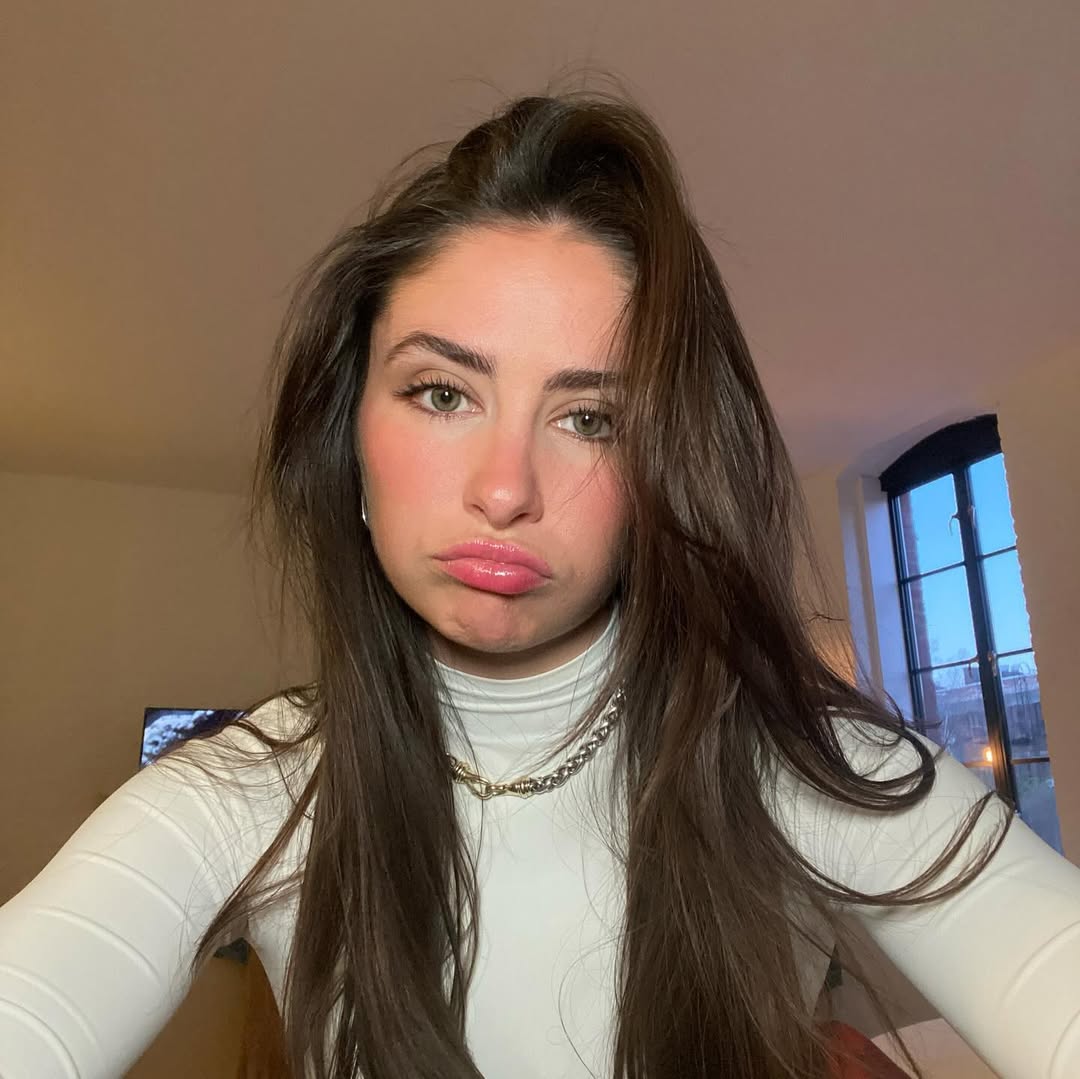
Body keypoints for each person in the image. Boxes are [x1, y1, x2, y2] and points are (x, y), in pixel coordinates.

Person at [1, 87, 1078, 1079]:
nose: (506, 488)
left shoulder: (805, 763)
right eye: (441, 393)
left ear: (663, 473)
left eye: (590, 417)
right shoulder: (244, 793)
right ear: (351, 436)